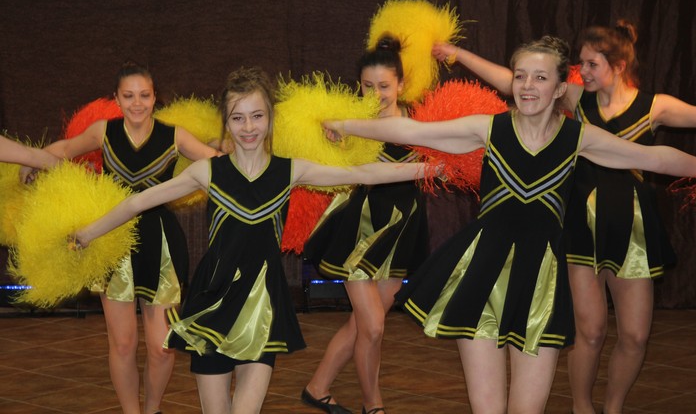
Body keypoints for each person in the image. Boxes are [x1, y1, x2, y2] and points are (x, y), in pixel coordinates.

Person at [322, 36, 696, 414]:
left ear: (560, 88)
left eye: (540, 77)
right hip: (480, 279)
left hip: (540, 287)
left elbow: (654, 158)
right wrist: (345, 124)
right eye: (521, 75)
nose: (527, 85)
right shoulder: (488, 128)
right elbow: (412, 131)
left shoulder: (578, 138)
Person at [72, 66, 431, 414]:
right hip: (212, 305)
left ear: (270, 119)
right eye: (238, 118)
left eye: (257, 116)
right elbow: (137, 202)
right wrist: (87, 234)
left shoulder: (290, 170)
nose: (248, 127)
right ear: (226, 123)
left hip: (262, 308)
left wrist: (429, 168)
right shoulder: (207, 171)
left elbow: (361, 172)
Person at [433, 20, 696, 414]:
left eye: (591, 64)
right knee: (590, 330)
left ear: (619, 65)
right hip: (579, 227)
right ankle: (581, 407)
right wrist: (458, 54)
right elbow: (512, 80)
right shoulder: (574, 98)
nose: (581, 71)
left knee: (635, 335)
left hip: (630, 227)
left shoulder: (655, 106)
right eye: (579, 63)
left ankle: (613, 407)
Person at [24, 61, 220, 414]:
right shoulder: (104, 131)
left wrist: (224, 144)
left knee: (162, 347)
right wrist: (32, 161)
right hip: (114, 242)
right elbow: (65, 150)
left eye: (144, 95)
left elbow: (217, 163)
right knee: (123, 343)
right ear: (116, 98)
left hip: (162, 244)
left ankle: (153, 409)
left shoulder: (175, 136)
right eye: (128, 96)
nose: (137, 103)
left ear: (155, 97)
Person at [301, 36, 429, 414]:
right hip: (359, 229)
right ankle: (373, 406)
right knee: (372, 327)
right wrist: (330, 134)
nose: (375, 94)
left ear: (401, 85)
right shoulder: (350, 122)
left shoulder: (421, 118)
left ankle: (317, 387)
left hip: (401, 230)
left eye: (384, 86)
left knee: (361, 325)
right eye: (367, 86)